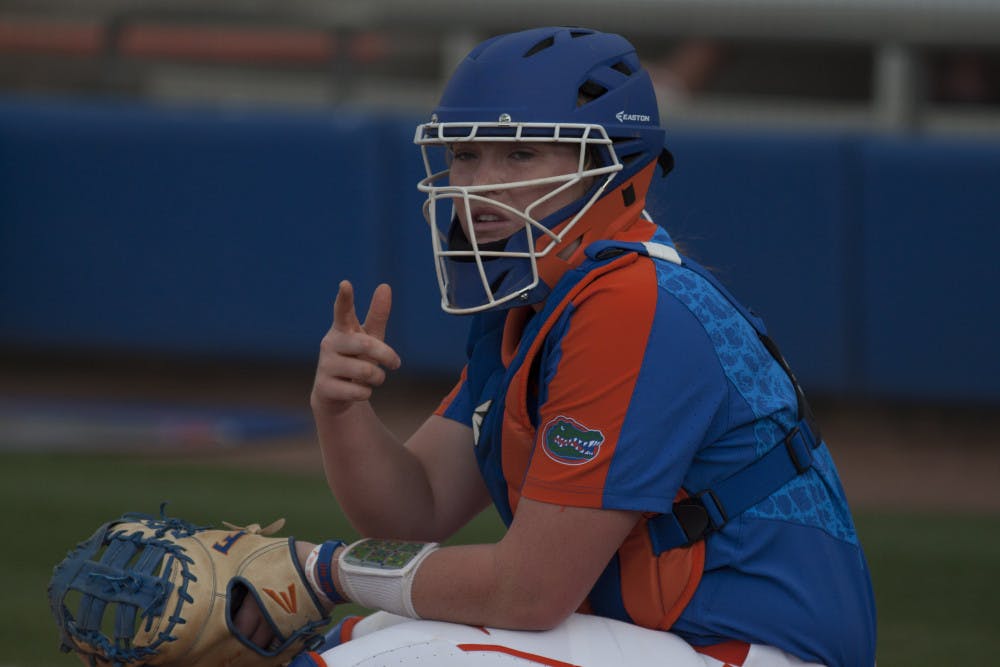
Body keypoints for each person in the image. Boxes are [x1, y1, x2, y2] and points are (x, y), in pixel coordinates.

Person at [235, 26, 876, 667]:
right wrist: (342, 410)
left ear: (612, 166)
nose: (479, 185)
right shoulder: (538, 299)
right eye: (464, 153)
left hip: (748, 650)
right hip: (670, 640)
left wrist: (322, 571)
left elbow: (529, 591)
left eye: (520, 154)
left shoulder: (631, 302)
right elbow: (417, 508)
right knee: (336, 644)